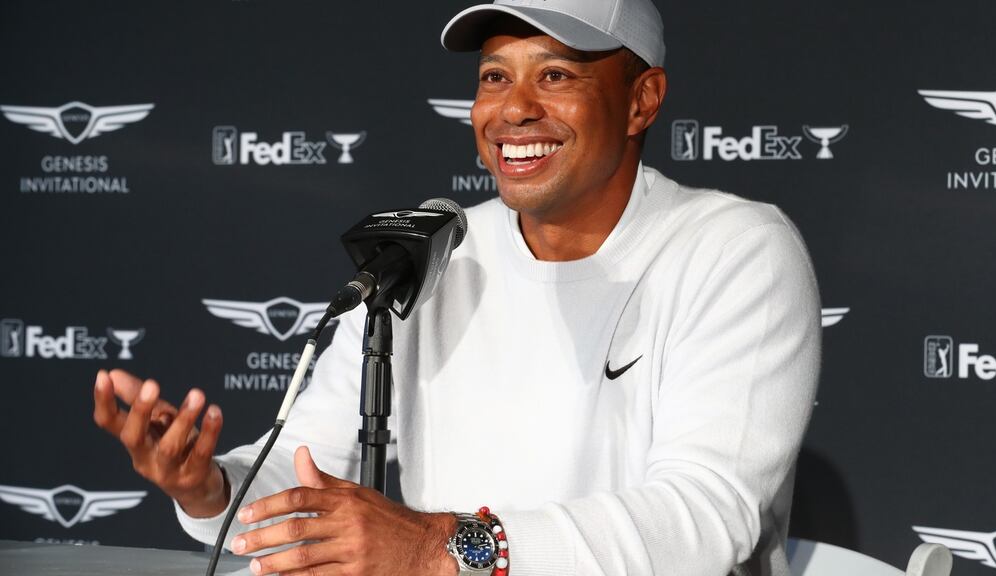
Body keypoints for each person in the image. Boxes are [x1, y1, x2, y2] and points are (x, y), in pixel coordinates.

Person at [92, 0, 821, 574]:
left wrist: (442, 549)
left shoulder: (735, 251)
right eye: (495, 76)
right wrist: (210, 488)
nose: (513, 108)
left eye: (557, 74)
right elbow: (308, 466)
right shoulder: (429, 255)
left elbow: (701, 521)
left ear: (641, 100)